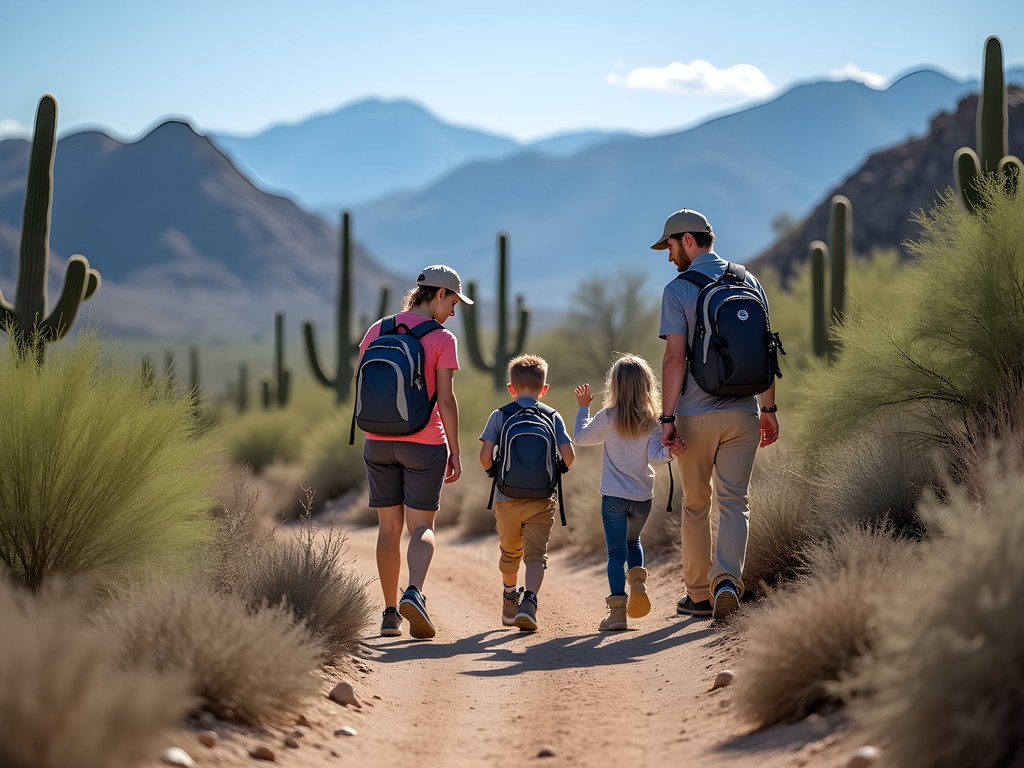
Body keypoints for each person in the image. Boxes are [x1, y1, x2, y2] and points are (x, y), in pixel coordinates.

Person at [652, 209, 780, 622]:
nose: (669, 257)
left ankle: (700, 596)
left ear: (688, 241)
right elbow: (764, 349)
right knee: (735, 502)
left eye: (670, 247)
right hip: (744, 412)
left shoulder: (679, 290)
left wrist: (667, 418)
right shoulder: (750, 281)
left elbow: (674, 359)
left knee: (695, 505)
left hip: (695, 415)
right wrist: (768, 409)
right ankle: (727, 580)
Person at [357, 265, 471, 640]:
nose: (453, 311)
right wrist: (455, 450)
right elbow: (447, 400)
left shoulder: (378, 328)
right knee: (421, 527)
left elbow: (363, 382)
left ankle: (389, 615)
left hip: (376, 440)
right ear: (439, 294)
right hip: (423, 444)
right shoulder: (442, 338)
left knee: (388, 528)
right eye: (453, 302)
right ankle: (414, 592)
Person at [573, 354, 684, 631]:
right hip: (642, 499)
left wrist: (582, 408)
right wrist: (672, 450)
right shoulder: (653, 421)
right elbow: (657, 458)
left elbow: (581, 438)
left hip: (613, 498)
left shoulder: (608, 417)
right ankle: (637, 582)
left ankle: (617, 612)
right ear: (648, 386)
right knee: (633, 542)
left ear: (615, 386)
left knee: (615, 553)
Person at [479, 354, 574, 632]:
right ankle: (530, 602)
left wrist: (493, 471)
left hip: (507, 498)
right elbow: (569, 457)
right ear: (544, 389)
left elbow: (486, 457)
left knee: (510, 552)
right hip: (542, 499)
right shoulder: (552, 416)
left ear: (511, 388)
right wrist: (558, 468)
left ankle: (510, 597)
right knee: (535, 556)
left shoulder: (500, 415)